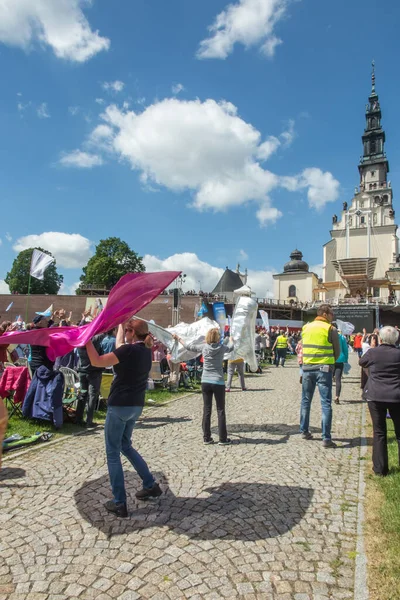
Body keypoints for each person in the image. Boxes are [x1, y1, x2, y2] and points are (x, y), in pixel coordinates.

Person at [86, 319, 162, 518]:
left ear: (131, 333)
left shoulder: (127, 351)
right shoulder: (146, 350)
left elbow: (96, 361)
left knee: (113, 452)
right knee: (125, 445)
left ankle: (120, 503)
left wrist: (85, 341)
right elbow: (120, 345)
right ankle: (150, 484)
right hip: (136, 405)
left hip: (119, 405)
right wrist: (120, 323)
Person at [174, 328, 234, 445]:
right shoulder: (222, 348)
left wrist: (178, 338)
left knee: (207, 409)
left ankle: (206, 437)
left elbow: (188, 346)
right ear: (217, 338)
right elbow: (231, 348)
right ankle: (222, 438)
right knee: (220, 410)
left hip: (205, 381)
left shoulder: (204, 347)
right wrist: (231, 340)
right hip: (218, 381)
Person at [359, 326, 400, 476]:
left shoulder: (373, 352)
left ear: (380, 338)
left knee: (379, 432)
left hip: (376, 396)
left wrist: (373, 349)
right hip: (396, 395)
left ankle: (380, 469)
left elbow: (362, 362)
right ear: (396, 339)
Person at [300, 304, 340, 448]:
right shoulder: (331, 329)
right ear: (324, 314)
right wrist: (331, 362)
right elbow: (338, 351)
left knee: (305, 400)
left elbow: (303, 347)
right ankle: (326, 438)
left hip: (307, 368)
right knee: (326, 403)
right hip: (324, 369)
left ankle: (304, 431)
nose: (332, 316)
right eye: (331, 314)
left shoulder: (306, 327)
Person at [76, 334, 105, 428]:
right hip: (94, 372)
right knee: (92, 396)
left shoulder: (79, 342)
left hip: (82, 370)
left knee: (83, 394)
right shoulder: (93, 342)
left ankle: (78, 418)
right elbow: (103, 333)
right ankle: (89, 420)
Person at [333, 327, 349, 405]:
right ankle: (337, 397)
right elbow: (345, 349)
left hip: (331, 360)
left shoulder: (330, 337)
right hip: (340, 359)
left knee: (328, 379)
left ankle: (327, 396)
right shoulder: (342, 337)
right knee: (338, 379)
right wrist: (346, 359)